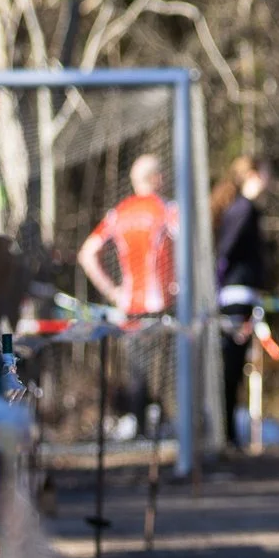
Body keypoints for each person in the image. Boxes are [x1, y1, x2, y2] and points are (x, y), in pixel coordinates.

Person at [79, 154, 180, 428]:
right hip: (163, 303)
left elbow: (87, 254)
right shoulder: (167, 209)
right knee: (165, 369)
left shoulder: (118, 213)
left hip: (130, 304)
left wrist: (112, 291)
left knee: (138, 369)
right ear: (157, 178)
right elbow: (187, 249)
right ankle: (161, 422)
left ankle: (140, 425)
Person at [211, 157, 270, 447]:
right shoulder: (242, 210)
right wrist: (217, 286)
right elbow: (225, 252)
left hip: (244, 296)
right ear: (253, 175)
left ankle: (230, 432)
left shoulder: (248, 210)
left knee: (237, 367)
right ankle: (226, 434)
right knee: (231, 367)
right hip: (235, 299)